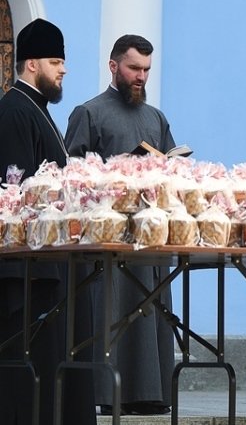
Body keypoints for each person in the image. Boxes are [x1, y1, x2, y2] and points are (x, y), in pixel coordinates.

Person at [63, 34, 176, 416]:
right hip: (109, 241)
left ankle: (151, 394)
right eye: (134, 68)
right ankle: (106, 393)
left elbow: (170, 165)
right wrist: (117, 171)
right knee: (114, 315)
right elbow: (70, 179)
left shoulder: (156, 118)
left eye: (146, 69)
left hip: (149, 239)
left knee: (150, 313)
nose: (141, 76)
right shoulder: (89, 113)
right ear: (114, 67)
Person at [0, 18, 94, 425]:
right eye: (56, 61)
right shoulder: (15, 111)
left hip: (52, 266)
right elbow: (16, 192)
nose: (64, 70)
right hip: (31, 275)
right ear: (31, 64)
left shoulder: (36, 110)